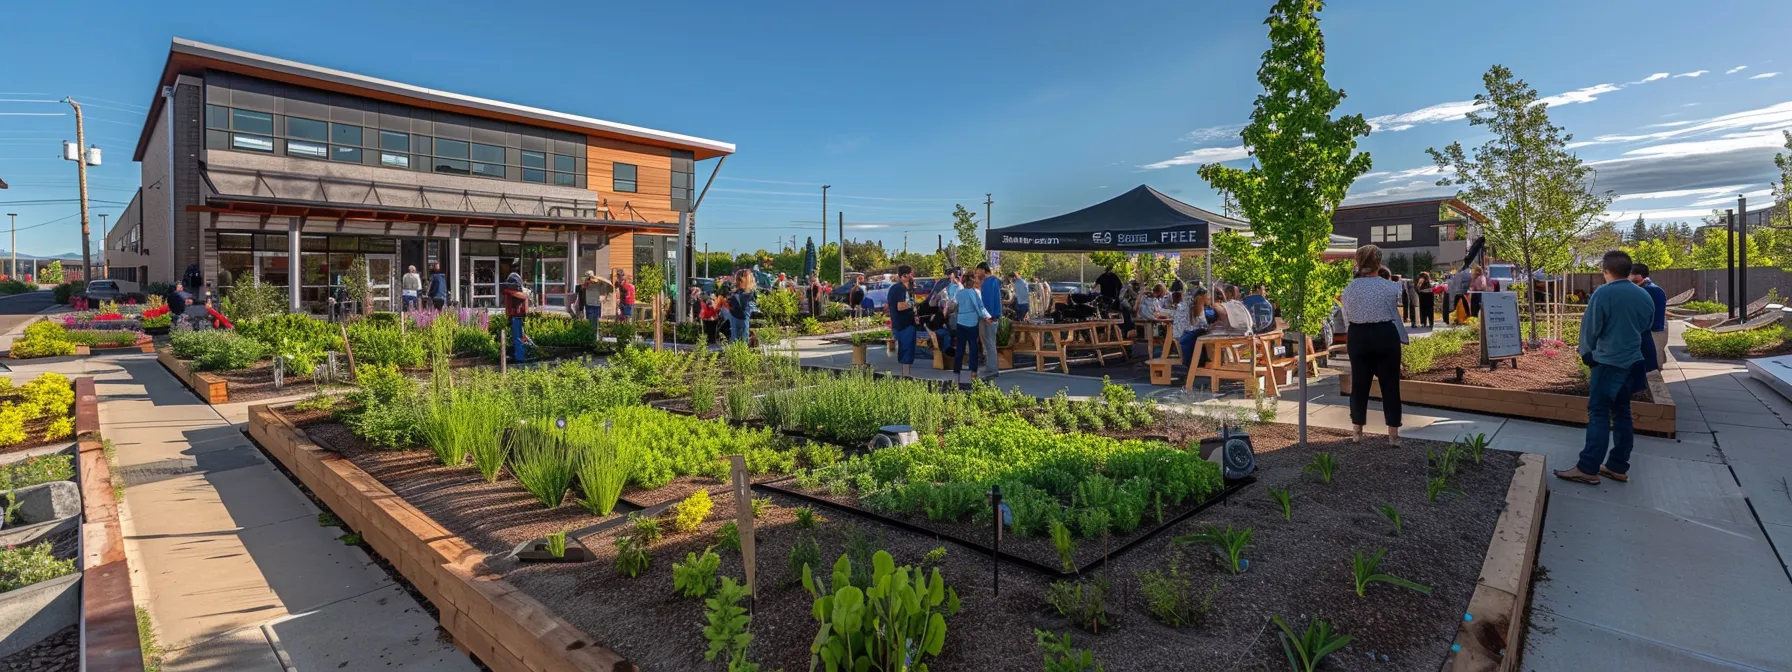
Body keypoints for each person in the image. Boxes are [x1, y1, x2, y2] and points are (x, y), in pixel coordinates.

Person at [1556, 251, 1656, 485]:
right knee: (1622, 413)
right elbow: (1647, 325)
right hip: (1633, 361)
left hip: (1608, 361)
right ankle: (1617, 466)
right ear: (1629, 270)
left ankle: (1588, 468)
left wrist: (1587, 354)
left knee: (1599, 413)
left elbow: (1590, 327)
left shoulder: (1603, 293)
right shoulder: (1643, 295)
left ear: (1605, 270)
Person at [1342, 246, 1406, 446]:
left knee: (1359, 384)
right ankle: (1393, 434)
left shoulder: (1349, 289)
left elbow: (1347, 315)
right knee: (1390, 385)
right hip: (1385, 334)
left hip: (1358, 335)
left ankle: (1357, 431)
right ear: (1378, 263)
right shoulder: (1390, 287)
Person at [953, 266, 995, 385]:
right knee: (973, 349)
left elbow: (955, 306)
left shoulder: (959, 293)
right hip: (972, 324)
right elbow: (981, 307)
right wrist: (988, 317)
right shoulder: (975, 292)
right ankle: (973, 374)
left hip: (961, 322)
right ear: (972, 281)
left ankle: (956, 374)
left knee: (960, 350)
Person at [1630, 263, 1669, 367]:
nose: (1633, 284)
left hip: (1654, 331)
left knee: (1652, 364)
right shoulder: (1646, 289)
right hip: (1651, 330)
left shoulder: (1653, 290)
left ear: (1645, 277)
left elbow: (1657, 317)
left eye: (1636, 281)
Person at [888, 265, 918, 376]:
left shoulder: (905, 289)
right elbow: (899, 306)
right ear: (904, 275)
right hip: (903, 325)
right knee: (906, 350)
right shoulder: (898, 288)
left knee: (907, 350)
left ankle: (906, 374)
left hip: (905, 323)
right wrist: (913, 304)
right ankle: (906, 376)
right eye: (911, 274)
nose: (913, 276)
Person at [977, 263, 1003, 378]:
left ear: (984, 270)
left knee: (989, 343)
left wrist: (987, 316)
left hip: (988, 317)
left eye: (978, 271)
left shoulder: (988, 283)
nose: (977, 273)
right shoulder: (995, 282)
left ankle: (992, 369)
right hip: (993, 316)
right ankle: (991, 367)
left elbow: (987, 301)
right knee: (990, 343)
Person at [1177, 288, 1211, 369]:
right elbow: (1200, 324)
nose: (1209, 300)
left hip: (1187, 334)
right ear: (1203, 298)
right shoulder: (1200, 309)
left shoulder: (1190, 306)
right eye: (1208, 298)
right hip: (1193, 334)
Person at [501, 272, 529, 363]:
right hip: (514, 317)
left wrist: (510, 291)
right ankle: (517, 356)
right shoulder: (511, 292)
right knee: (516, 338)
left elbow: (525, 296)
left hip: (518, 317)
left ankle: (519, 359)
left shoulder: (519, 292)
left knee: (518, 339)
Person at [727, 270, 757, 343]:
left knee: (737, 334)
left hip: (737, 314)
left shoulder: (736, 292)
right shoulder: (747, 293)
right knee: (742, 335)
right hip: (741, 315)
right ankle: (740, 350)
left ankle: (738, 349)